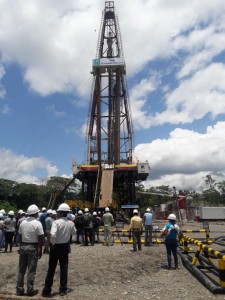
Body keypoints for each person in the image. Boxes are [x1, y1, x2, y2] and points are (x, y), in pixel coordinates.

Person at [41, 203, 76, 297]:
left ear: (61, 213)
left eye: (58, 212)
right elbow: (74, 232)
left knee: (51, 269)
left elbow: (53, 234)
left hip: (55, 247)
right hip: (65, 247)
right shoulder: (70, 223)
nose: (56, 213)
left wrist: (52, 244)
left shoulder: (56, 223)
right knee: (64, 269)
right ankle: (63, 289)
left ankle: (47, 290)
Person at [16, 204, 44, 296]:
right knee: (31, 270)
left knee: (21, 270)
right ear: (36, 213)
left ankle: (19, 289)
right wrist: (40, 249)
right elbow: (40, 238)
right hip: (33, 247)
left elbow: (19, 236)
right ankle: (30, 289)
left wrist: (20, 247)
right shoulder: (37, 223)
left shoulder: (23, 223)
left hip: (23, 246)